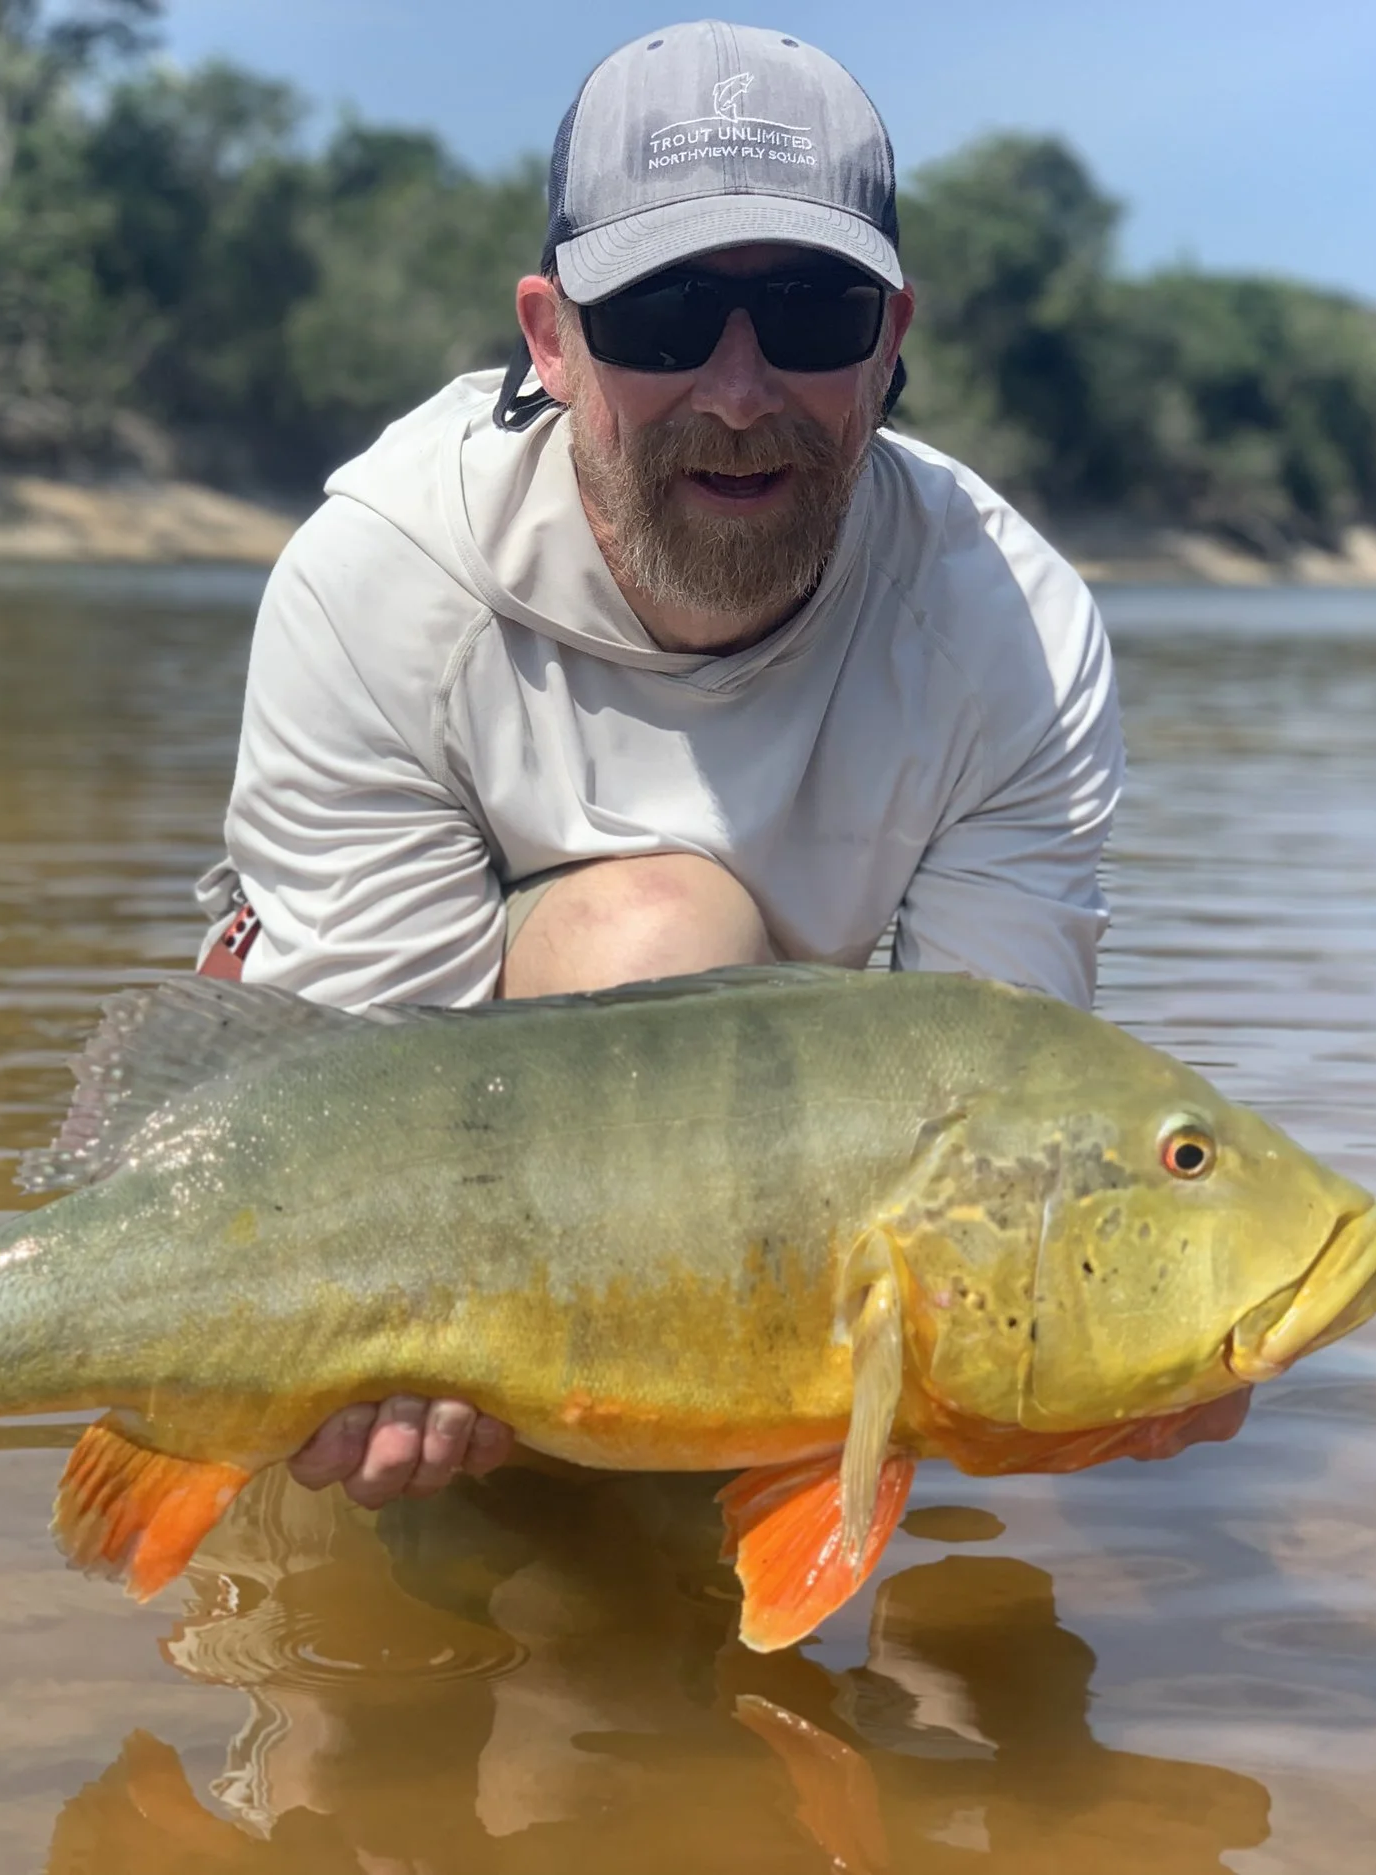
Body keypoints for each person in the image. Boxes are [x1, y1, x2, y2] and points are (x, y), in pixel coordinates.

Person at [193, 21, 1122, 1509]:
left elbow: (1000, 1128)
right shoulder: (376, 578)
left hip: (768, 1194)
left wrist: (1116, 1353)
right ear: (550, 337)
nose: (740, 389)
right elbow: (344, 1112)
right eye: (664, 315)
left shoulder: (1009, 630)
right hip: (411, 1128)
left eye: (812, 315)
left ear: (889, 339)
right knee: (660, 935)